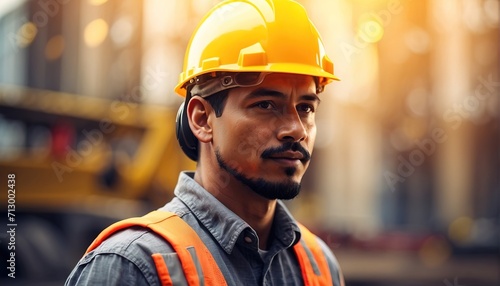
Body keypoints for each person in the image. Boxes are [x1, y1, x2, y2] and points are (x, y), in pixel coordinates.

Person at [65, 0, 345, 285]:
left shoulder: (320, 265)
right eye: (266, 105)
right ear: (201, 119)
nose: (296, 130)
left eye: (306, 108)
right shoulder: (130, 266)